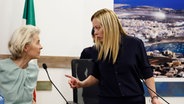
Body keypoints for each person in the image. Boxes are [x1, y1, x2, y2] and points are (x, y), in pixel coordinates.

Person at [66, 8, 162, 104]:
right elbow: (96, 76)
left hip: (134, 100)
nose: (95, 32)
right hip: (107, 100)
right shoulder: (97, 49)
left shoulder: (135, 44)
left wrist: (154, 98)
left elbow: (147, 73)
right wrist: (81, 83)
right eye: (94, 28)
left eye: (98, 27)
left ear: (109, 26)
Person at [0, 25, 42, 104]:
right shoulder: (2, 67)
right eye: (38, 43)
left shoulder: (34, 69)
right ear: (26, 47)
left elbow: (30, 100)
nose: (41, 47)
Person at [78, 28, 99, 104]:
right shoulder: (87, 52)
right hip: (90, 93)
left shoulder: (109, 52)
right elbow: (80, 72)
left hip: (107, 92)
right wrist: (88, 82)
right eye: (96, 35)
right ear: (93, 37)